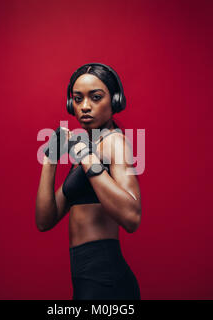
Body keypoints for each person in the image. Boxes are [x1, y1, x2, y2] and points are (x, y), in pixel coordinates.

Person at [35, 63, 141, 300]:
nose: (84, 107)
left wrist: (86, 157)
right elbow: (45, 220)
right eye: (77, 98)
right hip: (86, 277)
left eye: (95, 97)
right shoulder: (90, 149)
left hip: (105, 278)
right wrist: (50, 160)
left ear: (114, 101)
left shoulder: (115, 143)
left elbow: (132, 217)